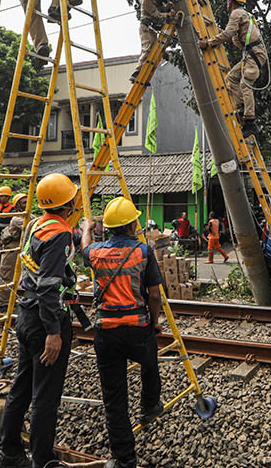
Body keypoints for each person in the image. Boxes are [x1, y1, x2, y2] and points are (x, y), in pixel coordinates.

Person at [0, 174, 78, 468]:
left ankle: (9, 453)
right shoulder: (60, 234)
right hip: (46, 320)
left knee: (22, 386)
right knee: (45, 393)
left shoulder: (37, 225)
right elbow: (48, 285)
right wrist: (53, 332)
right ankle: (42, 459)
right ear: (68, 203)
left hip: (26, 315)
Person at [82, 196, 164, 468]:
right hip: (137, 328)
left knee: (114, 398)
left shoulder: (96, 252)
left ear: (107, 228)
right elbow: (155, 296)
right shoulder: (143, 251)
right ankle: (150, 405)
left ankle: (124, 458)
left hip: (106, 331)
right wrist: (154, 322)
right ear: (131, 226)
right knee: (150, 361)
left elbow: (84, 249)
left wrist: (85, 229)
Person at [197, 0, 267, 137]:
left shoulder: (236, 13)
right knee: (231, 77)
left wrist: (208, 43)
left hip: (255, 55)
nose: (226, 3)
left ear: (232, 1)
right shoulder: (244, 15)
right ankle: (242, 106)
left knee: (245, 83)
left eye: (228, 0)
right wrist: (222, 34)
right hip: (252, 54)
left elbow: (229, 34)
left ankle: (250, 121)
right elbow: (233, 37)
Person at [130, 0, 175, 84]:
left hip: (151, 28)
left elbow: (160, 10)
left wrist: (167, 8)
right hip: (146, 28)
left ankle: (144, 76)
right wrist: (168, 14)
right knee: (148, 49)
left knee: (154, 52)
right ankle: (136, 73)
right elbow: (157, 14)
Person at [0, 192, 28, 305]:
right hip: (12, 247)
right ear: (18, 205)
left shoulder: (26, 216)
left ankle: (11, 299)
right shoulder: (17, 219)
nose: (27, 204)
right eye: (24, 202)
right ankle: (4, 303)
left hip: (21, 247)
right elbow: (32, 224)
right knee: (7, 275)